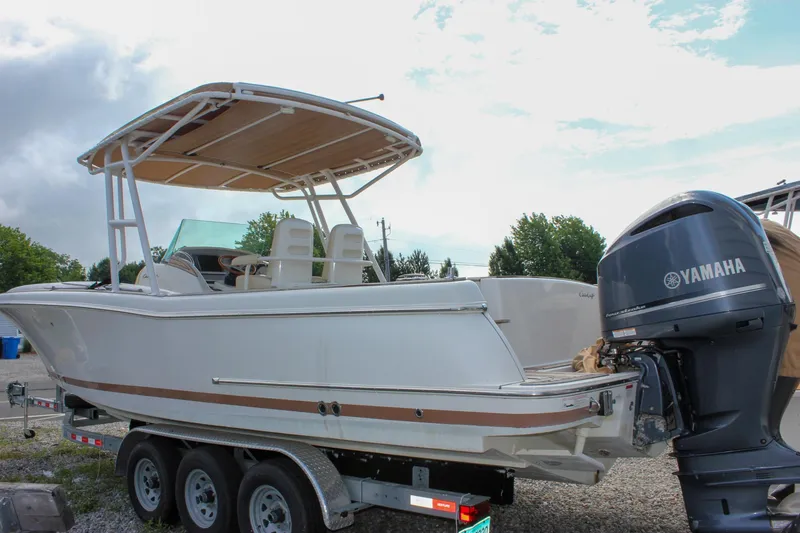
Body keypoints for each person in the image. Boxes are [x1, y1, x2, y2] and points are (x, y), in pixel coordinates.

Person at [762, 218, 800, 437]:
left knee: (761, 431)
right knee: (767, 430)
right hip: (789, 340)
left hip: (784, 344)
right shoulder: (766, 228)